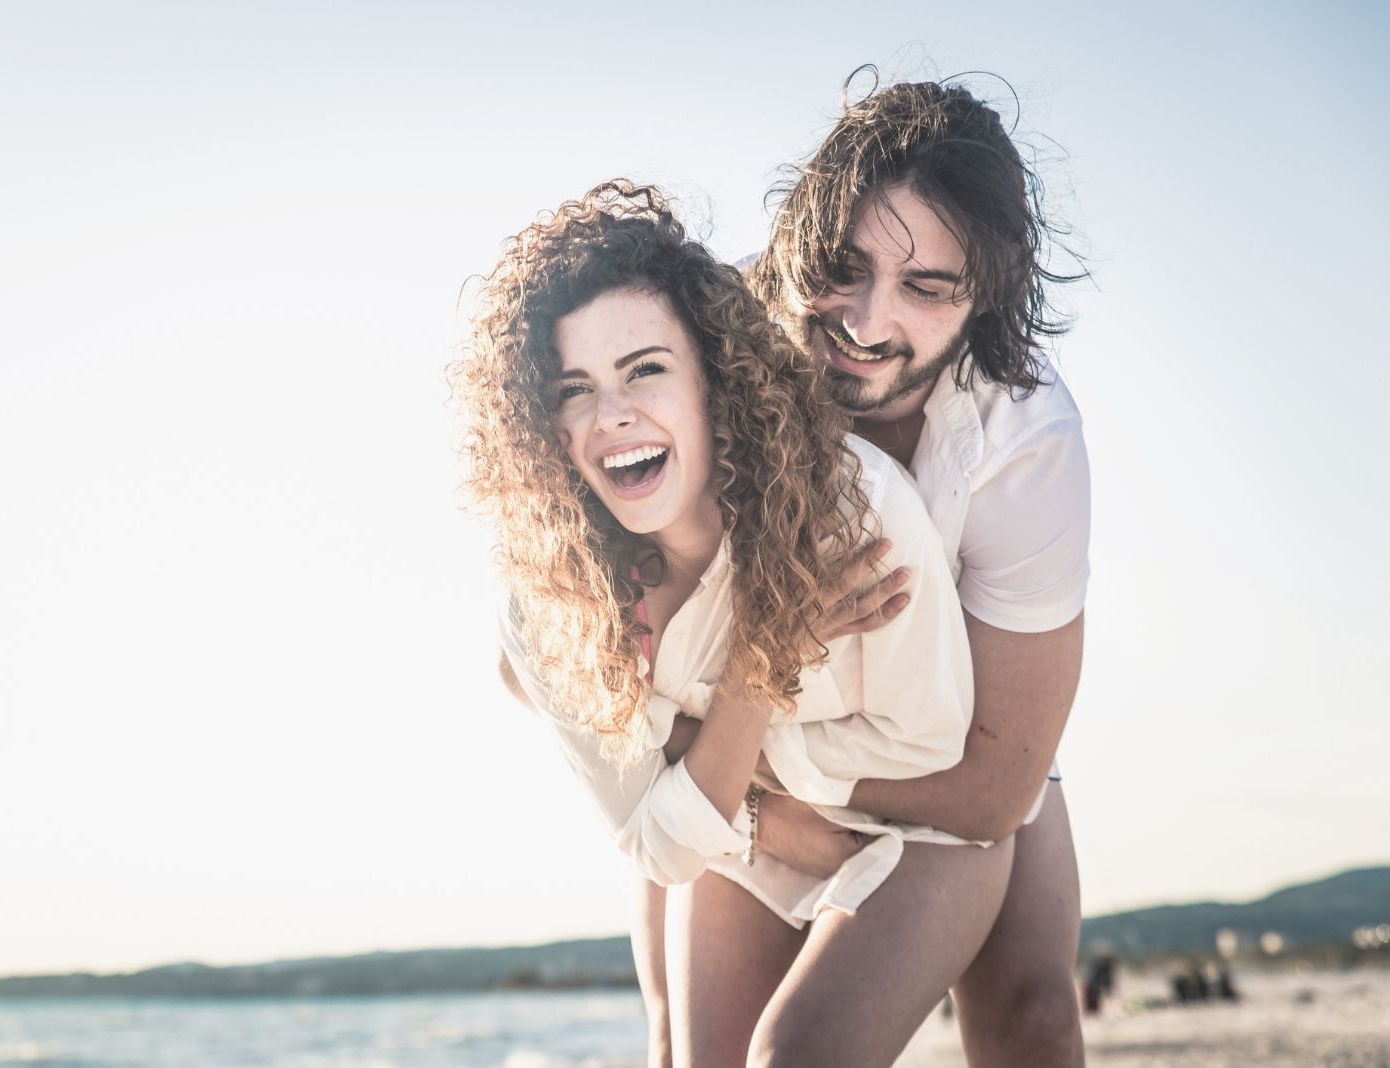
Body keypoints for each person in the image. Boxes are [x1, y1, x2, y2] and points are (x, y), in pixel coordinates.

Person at [458, 180, 1016, 1067]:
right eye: (575, 389)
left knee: (795, 1056)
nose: (613, 415)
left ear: (715, 380)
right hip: (741, 837)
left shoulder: (853, 516)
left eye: (645, 369)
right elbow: (659, 844)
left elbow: (930, 747)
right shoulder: (550, 599)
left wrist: (713, 752)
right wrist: (761, 671)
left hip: (919, 835)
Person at [633, 73, 1093, 1067]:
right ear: (794, 242)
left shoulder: (1026, 437)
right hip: (733, 745)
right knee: (690, 1048)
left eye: (927, 287)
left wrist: (791, 789)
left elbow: (994, 783)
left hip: (937, 751)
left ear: (985, 297)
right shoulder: (695, 354)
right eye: (840, 268)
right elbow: (578, 667)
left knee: (1031, 1014)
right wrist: (757, 808)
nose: (867, 322)